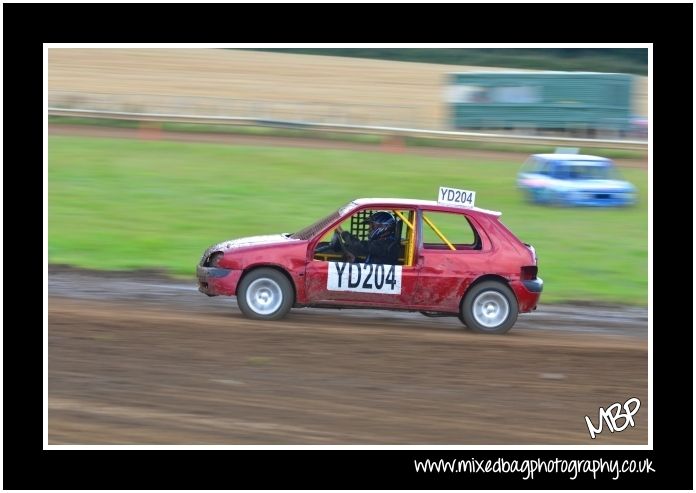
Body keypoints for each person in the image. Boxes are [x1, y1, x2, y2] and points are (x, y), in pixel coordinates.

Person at [335, 211, 399, 265]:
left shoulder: (386, 244)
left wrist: (342, 233)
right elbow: (371, 264)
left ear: (384, 226)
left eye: (372, 226)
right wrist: (355, 260)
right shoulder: (383, 242)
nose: (369, 229)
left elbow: (359, 246)